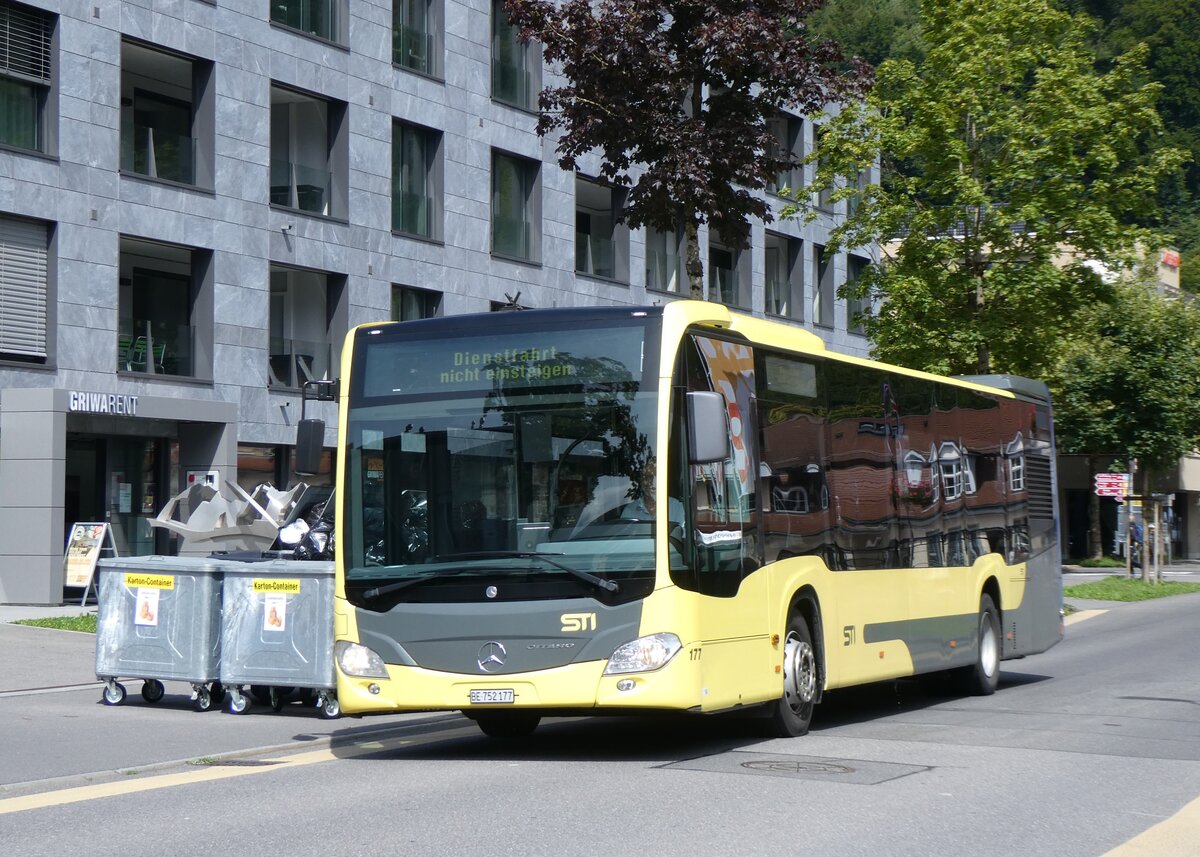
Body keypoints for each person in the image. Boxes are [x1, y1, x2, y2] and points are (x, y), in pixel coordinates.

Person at [619, 458, 685, 525]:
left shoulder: (676, 507)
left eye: (657, 477)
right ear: (641, 481)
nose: (653, 482)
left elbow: (683, 534)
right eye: (648, 477)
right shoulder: (629, 511)